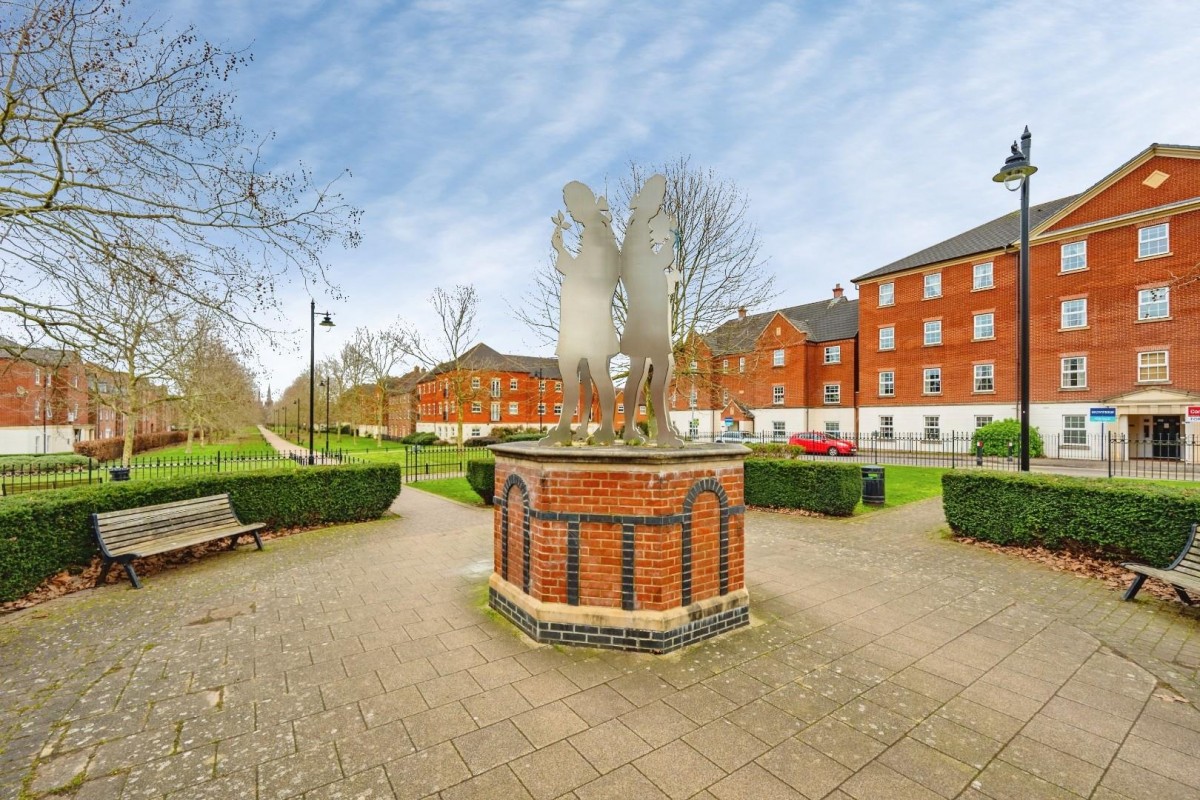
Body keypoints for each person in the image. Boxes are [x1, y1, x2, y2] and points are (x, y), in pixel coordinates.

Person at [540, 182, 620, 445]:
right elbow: (579, 270)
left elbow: (593, 275)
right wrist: (561, 250)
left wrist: (563, 253)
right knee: (572, 370)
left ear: (582, 202)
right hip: (579, 317)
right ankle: (565, 426)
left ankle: (606, 426)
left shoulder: (598, 231)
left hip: (590, 319)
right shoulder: (594, 231)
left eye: (572, 206)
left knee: (597, 372)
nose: (571, 213)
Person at [620, 174, 682, 447]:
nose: (659, 203)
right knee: (660, 366)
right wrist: (671, 239)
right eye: (657, 197)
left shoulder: (638, 225)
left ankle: (633, 429)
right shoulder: (638, 227)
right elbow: (652, 263)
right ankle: (660, 432)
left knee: (641, 371)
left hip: (648, 309)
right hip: (647, 314)